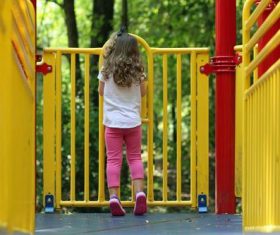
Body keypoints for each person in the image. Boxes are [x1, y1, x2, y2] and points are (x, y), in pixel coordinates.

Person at [97, 29, 147, 216]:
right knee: (134, 157)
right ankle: (139, 193)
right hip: (133, 122)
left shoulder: (106, 70)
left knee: (114, 160)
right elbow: (143, 93)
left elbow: (101, 91)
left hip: (112, 123)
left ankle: (114, 197)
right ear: (134, 51)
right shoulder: (138, 71)